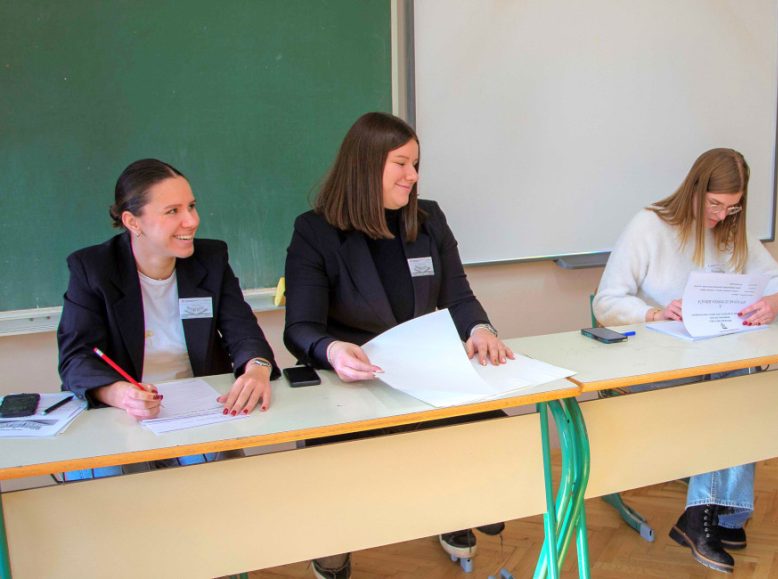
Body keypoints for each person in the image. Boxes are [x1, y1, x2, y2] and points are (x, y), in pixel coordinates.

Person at [283, 112, 514, 579]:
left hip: (422, 371)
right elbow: (300, 327)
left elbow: (458, 297)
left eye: (416, 164)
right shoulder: (316, 231)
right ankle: (336, 543)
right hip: (350, 381)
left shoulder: (427, 219)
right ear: (366, 166)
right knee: (346, 470)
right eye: (401, 164)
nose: (413, 176)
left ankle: (459, 512)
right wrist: (331, 350)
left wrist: (480, 329)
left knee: (497, 433)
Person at [593, 147, 778, 573]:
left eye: (732, 207)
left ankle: (706, 514)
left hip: (711, 366)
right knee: (735, 387)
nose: (721, 216)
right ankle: (721, 513)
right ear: (695, 191)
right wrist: (654, 313)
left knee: (740, 379)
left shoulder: (732, 232)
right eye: (714, 205)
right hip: (652, 367)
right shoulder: (650, 226)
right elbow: (606, 303)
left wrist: (777, 300)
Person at [57, 158, 279, 479]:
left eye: (191, 206)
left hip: (201, 415)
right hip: (123, 418)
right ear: (133, 222)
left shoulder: (211, 259)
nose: (191, 221)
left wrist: (257, 368)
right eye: (172, 211)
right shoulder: (93, 268)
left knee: (222, 492)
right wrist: (120, 393)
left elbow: (243, 332)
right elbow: (76, 359)